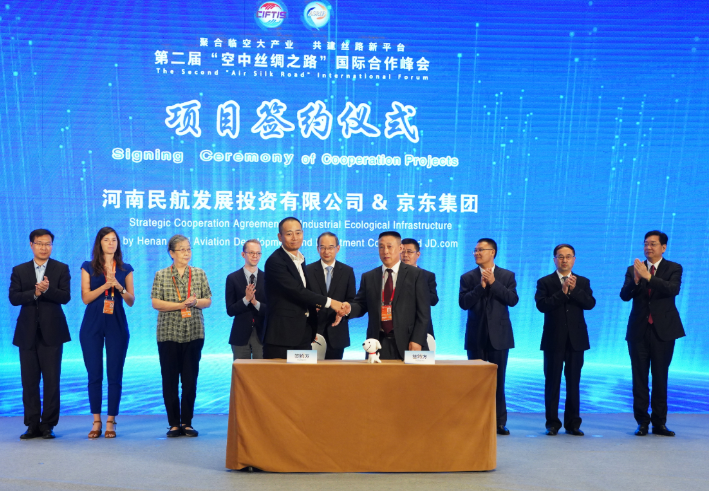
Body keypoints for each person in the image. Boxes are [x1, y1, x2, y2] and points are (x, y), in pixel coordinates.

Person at [620, 230, 685, 437]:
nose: (648, 247)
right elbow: (624, 296)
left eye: (653, 244)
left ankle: (659, 423)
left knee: (660, 377)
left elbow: (672, 289)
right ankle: (642, 422)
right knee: (639, 378)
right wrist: (636, 280)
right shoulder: (633, 269)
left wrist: (649, 277)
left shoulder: (673, 268)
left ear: (663, 247)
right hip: (638, 331)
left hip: (663, 331)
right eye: (646, 243)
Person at [9, 229, 71, 440]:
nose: (44, 248)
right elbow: (14, 298)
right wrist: (35, 293)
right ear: (31, 245)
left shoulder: (61, 268)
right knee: (29, 382)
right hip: (26, 333)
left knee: (52, 381)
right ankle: (32, 424)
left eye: (48, 244)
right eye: (40, 243)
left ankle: (48, 425)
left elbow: (65, 297)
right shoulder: (19, 270)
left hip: (52, 332)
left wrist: (46, 290)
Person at [151, 235, 212, 438]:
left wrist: (194, 303)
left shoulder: (199, 273)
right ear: (171, 253)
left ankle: (187, 422)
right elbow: (156, 303)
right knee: (169, 380)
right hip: (168, 333)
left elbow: (208, 300)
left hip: (194, 332)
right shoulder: (161, 275)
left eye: (188, 249)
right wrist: (180, 305)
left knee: (189, 380)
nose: (186, 253)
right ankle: (173, 424)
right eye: (182, 249)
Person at [263, 217, 347, 359]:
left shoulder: (300, 259)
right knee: (280, 374)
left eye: (298, 233)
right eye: (289, 234)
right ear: (280, 237)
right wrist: (331, 302)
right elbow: (297, 292)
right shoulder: (275, 261)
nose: (294, 237)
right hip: (282, 337)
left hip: (303, 334)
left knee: (303, 373)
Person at [80, 227, 135, 439]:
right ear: (99, 243)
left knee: (115, 373)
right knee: (94, 373)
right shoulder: (88, 266)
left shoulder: (125, 268)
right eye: (106, 239)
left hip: (116, 322)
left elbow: (130, 300)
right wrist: (105, 285)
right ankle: (96, 420)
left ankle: (111, 420)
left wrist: (119, 287)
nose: (111, 243)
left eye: (114, 240)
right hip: (92, 322)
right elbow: (85, 298)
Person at [459, 238, 518, 435]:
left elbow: (512, 300)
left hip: (499, 337)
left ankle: (499, 422)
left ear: (492, 252)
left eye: (480, 250)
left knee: (498, 381)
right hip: (476, 336)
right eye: (475, 250)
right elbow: (464, 303)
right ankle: (476, 421)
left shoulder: (506, 275)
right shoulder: (468, 277)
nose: (476, 253)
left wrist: (493, 283)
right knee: (475, 382)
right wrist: (481, 287)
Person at [534, 244, 595, 436]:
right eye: (560, 256)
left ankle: (573, 423)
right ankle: (552, 423)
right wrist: (562, 292)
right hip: (553, 339)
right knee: (552, 382)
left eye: (568, 256)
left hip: (576, 340)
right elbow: (542, 306)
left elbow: (590, 304)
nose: (564, 260)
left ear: (574, 259)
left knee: (573, 382)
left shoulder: (583, 281)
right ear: (554, 260)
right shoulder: (545, 282)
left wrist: (574, 290)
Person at [345, 231, 430, 360]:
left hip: (409, 342)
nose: (385, 251)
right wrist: (349, 309)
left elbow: (424, 312)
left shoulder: (416, 275)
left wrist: (417, 340)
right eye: (381, 247)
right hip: (378, 343)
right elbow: (361, 305)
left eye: (389, 246)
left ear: (400, 248)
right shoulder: (369, 276)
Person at [305, 232, 356, 359]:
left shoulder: (347, 271)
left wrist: (344, 311)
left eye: (330, 247)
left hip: (337, 333)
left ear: (338, 248)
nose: (326, 251)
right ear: (317, 248)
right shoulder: (308, 271)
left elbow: (352, 300)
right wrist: (310, 308)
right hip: (312, 332)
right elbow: (302, 297)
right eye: (322, 247)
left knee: (334, 371)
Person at [226, 239, 266, 359]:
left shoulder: (268, 278)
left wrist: (255, 303)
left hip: (262, 334)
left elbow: (272, 309)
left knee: (262, 369)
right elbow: (230, 310)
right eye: (251, 253)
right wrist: (246, 300)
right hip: (240, 334)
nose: (255, 256)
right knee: (241, 370)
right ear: (243, 254)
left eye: (258, 253)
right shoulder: (232, 278)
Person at [401, 238, 439, 347]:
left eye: (409, 252)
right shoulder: (392, 275)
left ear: (418, 254)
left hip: (421, 329)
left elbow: (434, 300)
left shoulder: (427, 275)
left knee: (420, 358)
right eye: (402, 252)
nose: (405, 255)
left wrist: (419, 291)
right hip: (399, 328)